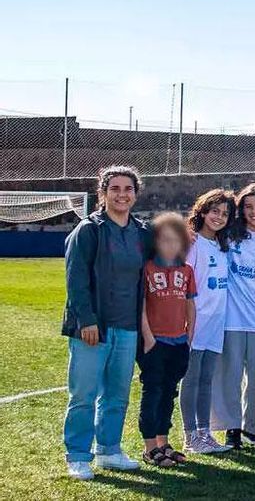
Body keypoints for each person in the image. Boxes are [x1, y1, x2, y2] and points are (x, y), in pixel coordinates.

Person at [63, 165, 153, 480]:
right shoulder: (89, 230)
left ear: (135, 194)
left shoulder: (142, 232)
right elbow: (75, 280)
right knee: (84, 394)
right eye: (114, 188)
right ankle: (77, 454)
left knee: (117, 394)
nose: (121, 194)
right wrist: (86, 320)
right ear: (102, 193)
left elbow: (175, 247)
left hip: (127, 328)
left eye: (128, 189)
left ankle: (109, 450)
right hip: (92, 327)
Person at [213, 183, 255, 448]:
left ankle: (253, 427)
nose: (254, 211)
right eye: (248, 206)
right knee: (231, 374)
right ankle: (232, 427)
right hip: (230, 316)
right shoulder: (228, 234)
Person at [136, 213, 196, 468]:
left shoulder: (186, 270)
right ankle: (150, 448)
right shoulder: (147, 268)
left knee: (169, 393)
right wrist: (148, 337)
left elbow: (190, 304)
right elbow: (140, 305)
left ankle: (163, 441)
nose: (170, 246)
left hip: (178, 341)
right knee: (153, 392)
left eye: (175, 241)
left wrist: (189, 336)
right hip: (154, 341)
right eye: (165, 240)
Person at [181, 188, 235, 455]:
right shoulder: (191, 243)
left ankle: (205, 432)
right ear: (202, 211)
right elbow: (183, 286)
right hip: (195, 321)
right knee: (190, 379)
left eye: (225, 213)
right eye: (214, 211)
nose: (219, 217)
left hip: (216, 323)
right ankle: (189, 435)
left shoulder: (222, 246)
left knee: (206, 379)